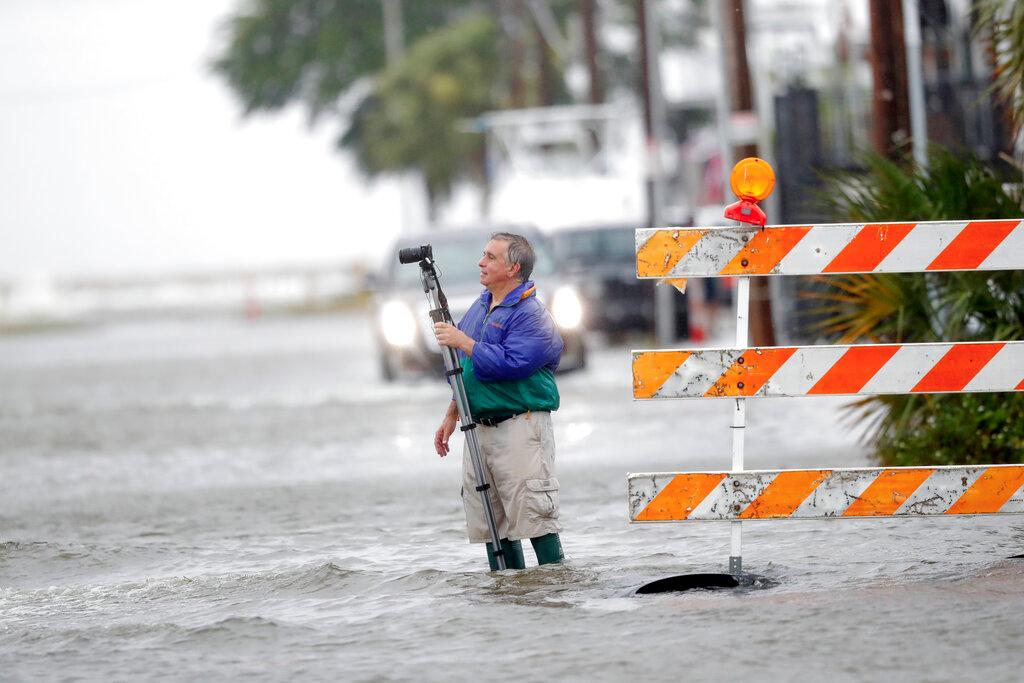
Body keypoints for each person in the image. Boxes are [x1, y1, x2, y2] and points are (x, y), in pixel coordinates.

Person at [433, 232, 565, 570]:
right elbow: (466, 369)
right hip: (479, 427)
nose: (481, 262)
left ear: (513, 268)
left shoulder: (532, 314)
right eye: (483, 255)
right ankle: (506, 598)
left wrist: (462, 340)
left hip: (521, 426)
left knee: (535, 519)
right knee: (493, 526)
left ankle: (554, 587)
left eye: (491, 257)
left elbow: (510, 365)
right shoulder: (480, 306)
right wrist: (452, 413)